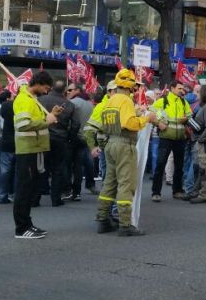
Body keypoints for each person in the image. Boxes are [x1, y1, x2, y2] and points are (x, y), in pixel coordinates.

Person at [93, 69, 155, 236]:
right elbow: (129, 123)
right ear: (131, 85)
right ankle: (125, 225)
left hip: (111, 143)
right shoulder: (126, 101)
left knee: (109, 184)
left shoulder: (110, 100)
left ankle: (102, 220)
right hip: (124, 144)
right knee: (126, 184)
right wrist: (146, 119)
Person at [12, 71, 59, 239]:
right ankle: (22, 228)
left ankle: (26, 224)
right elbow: (23, 125)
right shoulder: (24, 99)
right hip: (28, 150)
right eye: (46, 88)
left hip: (34, 149)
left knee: (28, 189)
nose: (47, 91)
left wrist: (51, 115)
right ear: (38, 83)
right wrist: (47, 121)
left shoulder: (31, 99)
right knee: (24, 190)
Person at [149, 81, 191, 202]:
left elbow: (189, 116)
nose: (182, 90)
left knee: (179, 166)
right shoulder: (163, 101)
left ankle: (177, 191)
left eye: (182, 88)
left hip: (180, 139)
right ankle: (156, 192)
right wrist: (158, 123)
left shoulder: (184, 101)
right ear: (172, 88)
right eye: (179, 88)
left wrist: (185, 118)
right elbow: (150, 113)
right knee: (160, 165)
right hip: (165, 137)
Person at [38, 79, 75, 207]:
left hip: (43, 136)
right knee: (57, 169)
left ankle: (36, 198)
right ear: (65, 90)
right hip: (60, 138)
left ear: (51, 88)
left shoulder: (41, 100)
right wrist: (70, 137)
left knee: (41, 167)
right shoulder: (69, 104)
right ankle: (55, 199)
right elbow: (75, 125)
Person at [67, 84, 96, 198]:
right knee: (81, 165)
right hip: (86, 137)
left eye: (70, 90)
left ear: (77, 90)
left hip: (74, 137)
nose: (68, 92)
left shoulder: (73, 103)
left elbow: (69, 121)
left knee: (70, 165)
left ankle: (70, 189)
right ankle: (78, 191)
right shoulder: (90, 104)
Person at [0, 90, 16, 204]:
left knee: (4, 170)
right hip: (20, 141)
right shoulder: (23, 106)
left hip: (6, 141)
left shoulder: (6, 105)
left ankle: (2, 195)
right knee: (18, 170)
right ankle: (16, 194)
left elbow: (2, 115)